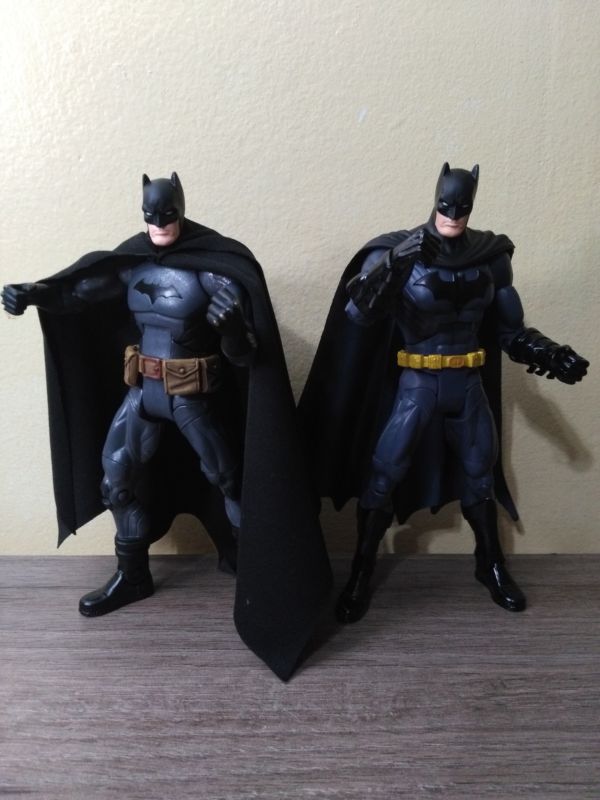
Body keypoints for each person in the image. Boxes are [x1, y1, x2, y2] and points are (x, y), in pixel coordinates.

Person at [2, 173, 332, 679]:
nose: (159, 224)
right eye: (151, 216)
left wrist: (233, 327)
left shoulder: (213, 271)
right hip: (143, 394)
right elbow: (80, 293)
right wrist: (35, 293)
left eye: (167, 214)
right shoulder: (132, 264)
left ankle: (250, 568)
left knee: (228, 479)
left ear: (181, 209)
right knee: (115, 480)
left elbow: (247, 355)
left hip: (192, 399)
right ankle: (133, 574)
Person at [299, 163, 588, 624]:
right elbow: (358, 314)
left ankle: (490, 564)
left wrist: (551, 353)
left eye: (462, 206)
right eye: (446, 205)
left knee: (480, 475)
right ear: (435, 199)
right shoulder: (399, 251)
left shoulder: (490, 257)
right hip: (416, 385)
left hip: (467, 383)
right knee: (382, 475)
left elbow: (511, 331)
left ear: (472, 204)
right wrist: (394, 264)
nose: (453, 214)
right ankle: (361, 571)